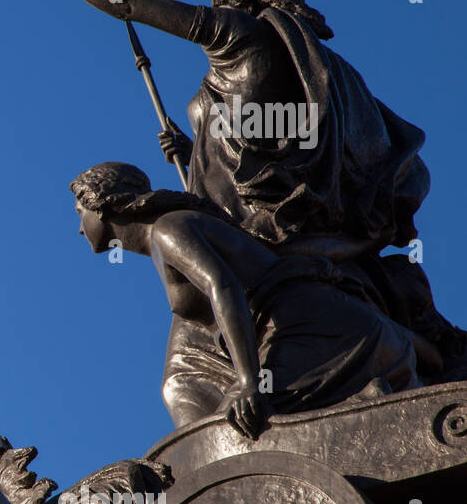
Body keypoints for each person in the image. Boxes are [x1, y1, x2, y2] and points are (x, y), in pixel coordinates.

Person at [11, 0, 467, 382]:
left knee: (183, 377)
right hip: (279, 232)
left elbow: (129, 2)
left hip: (259, 242)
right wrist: (196, 153)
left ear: (240, 7)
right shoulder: (314, 68)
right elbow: (267, 145)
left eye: (221, 5)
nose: (213, 13)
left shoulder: (239, 34)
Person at [70, 162, 420, 438]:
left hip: (319, 333)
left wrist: (248, 381)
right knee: (222, 432)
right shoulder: (169, 231)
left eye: (79, 213)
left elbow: (222, 286)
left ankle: (369, 399)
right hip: (303, 330)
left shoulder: (167, 230)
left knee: (235, 432)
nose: (80, 228)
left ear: (100, 205)